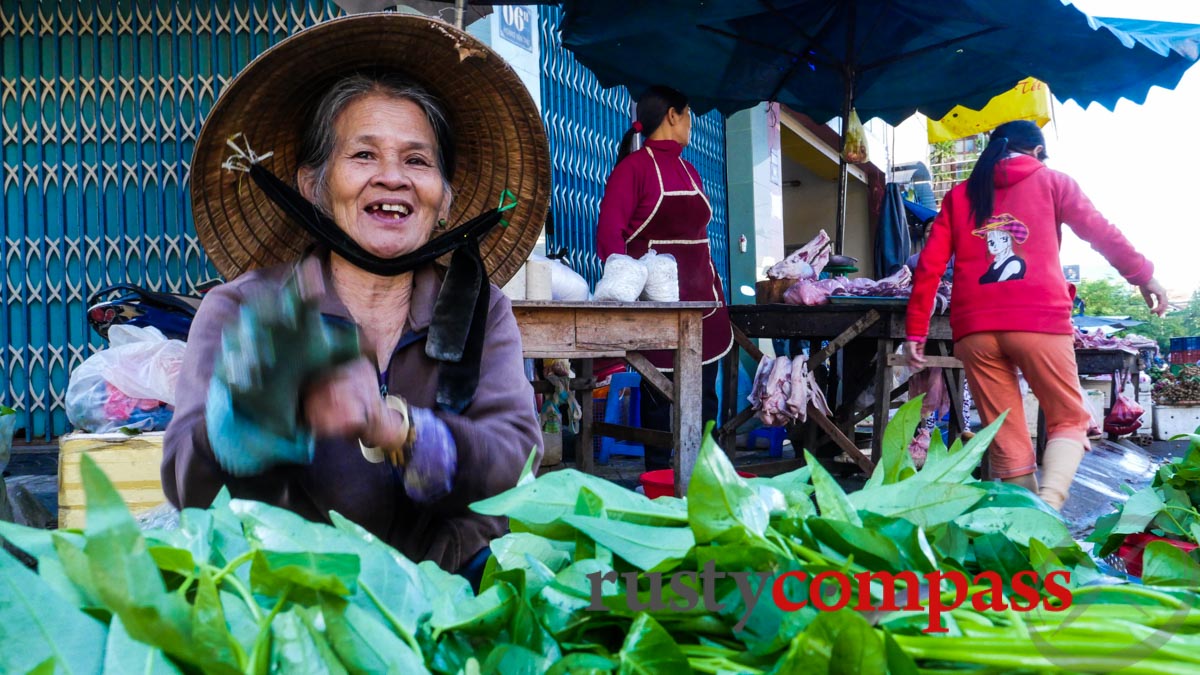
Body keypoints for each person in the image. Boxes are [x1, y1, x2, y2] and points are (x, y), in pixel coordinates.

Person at [162, 13, 549, 588]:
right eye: (363, 155)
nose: (392, 177)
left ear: (445, 199)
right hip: (293, 598)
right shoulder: (242, 308)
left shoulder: (477, 311)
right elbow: (187, 490)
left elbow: (516, 465)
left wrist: (403, 431)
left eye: (417, 160)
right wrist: (251, 412)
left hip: (449, 600)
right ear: (312, 184)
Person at [905, 120, 1167, 511]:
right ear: (1037, 152)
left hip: (974, 330)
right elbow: (1100, 232)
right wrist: (1143, 276)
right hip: (1039, 320)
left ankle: (1030, 533)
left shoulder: (961, 195)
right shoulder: (1053, 181)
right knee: (1069, 419)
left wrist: (916, 331)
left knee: (1007, 440)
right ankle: (1051, 500)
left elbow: (928, 266)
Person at [595, 85, 733, 471]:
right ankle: (658, 477)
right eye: (688, 114)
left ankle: (705, 475)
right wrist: (627, 291)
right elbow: (609, 236)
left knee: (705, 398)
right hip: (658, 305)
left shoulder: (691, 169)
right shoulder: (633, 168)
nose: (691, 124)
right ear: (673, 115)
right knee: (660, 401)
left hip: (705, 303)